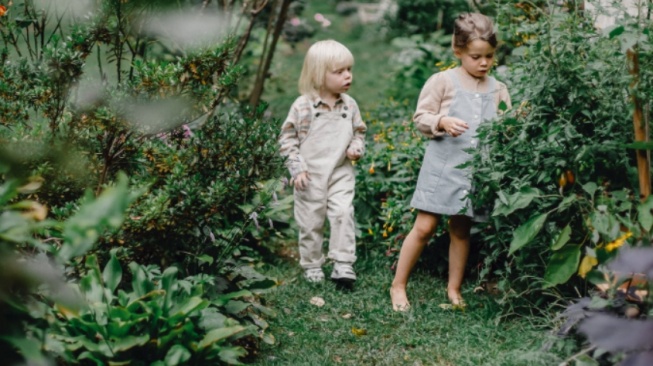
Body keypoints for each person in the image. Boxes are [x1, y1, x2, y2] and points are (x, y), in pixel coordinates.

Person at [389, 13, 511, 311]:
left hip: (476, 172)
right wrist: (441, 120)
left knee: (461, 229)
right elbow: (421, 117)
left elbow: (505, 125)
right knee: (425, 226)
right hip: (443, 166)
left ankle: (454, 288)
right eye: (476, 56)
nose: (484, 63)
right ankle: (398, 285)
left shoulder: (498, 89)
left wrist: (511, 125)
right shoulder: (443, 81)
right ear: (458, 52)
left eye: (490, 56)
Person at [279, 39, 367, 283]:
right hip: (310, 174)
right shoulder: (304, 107)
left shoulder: (349, 106)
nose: (348, 76)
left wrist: (355, 147)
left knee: (343, 213)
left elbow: (359, 131)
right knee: (310, 221)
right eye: (339, 72)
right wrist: (297, 169)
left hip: (340, 170)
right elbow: (287, 139)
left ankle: (343, 262)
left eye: (349, 70)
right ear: (319, 74)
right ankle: (312, 263)